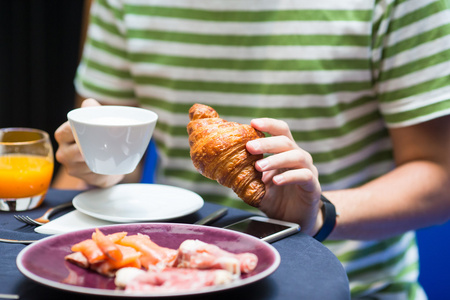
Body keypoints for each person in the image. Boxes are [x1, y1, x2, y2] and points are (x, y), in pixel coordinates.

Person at [54, 0, 450, 298]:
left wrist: (317, 215)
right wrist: (101, 171)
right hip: (168, 278)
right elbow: (90, 167)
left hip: (349, 286)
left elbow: (439, 176)